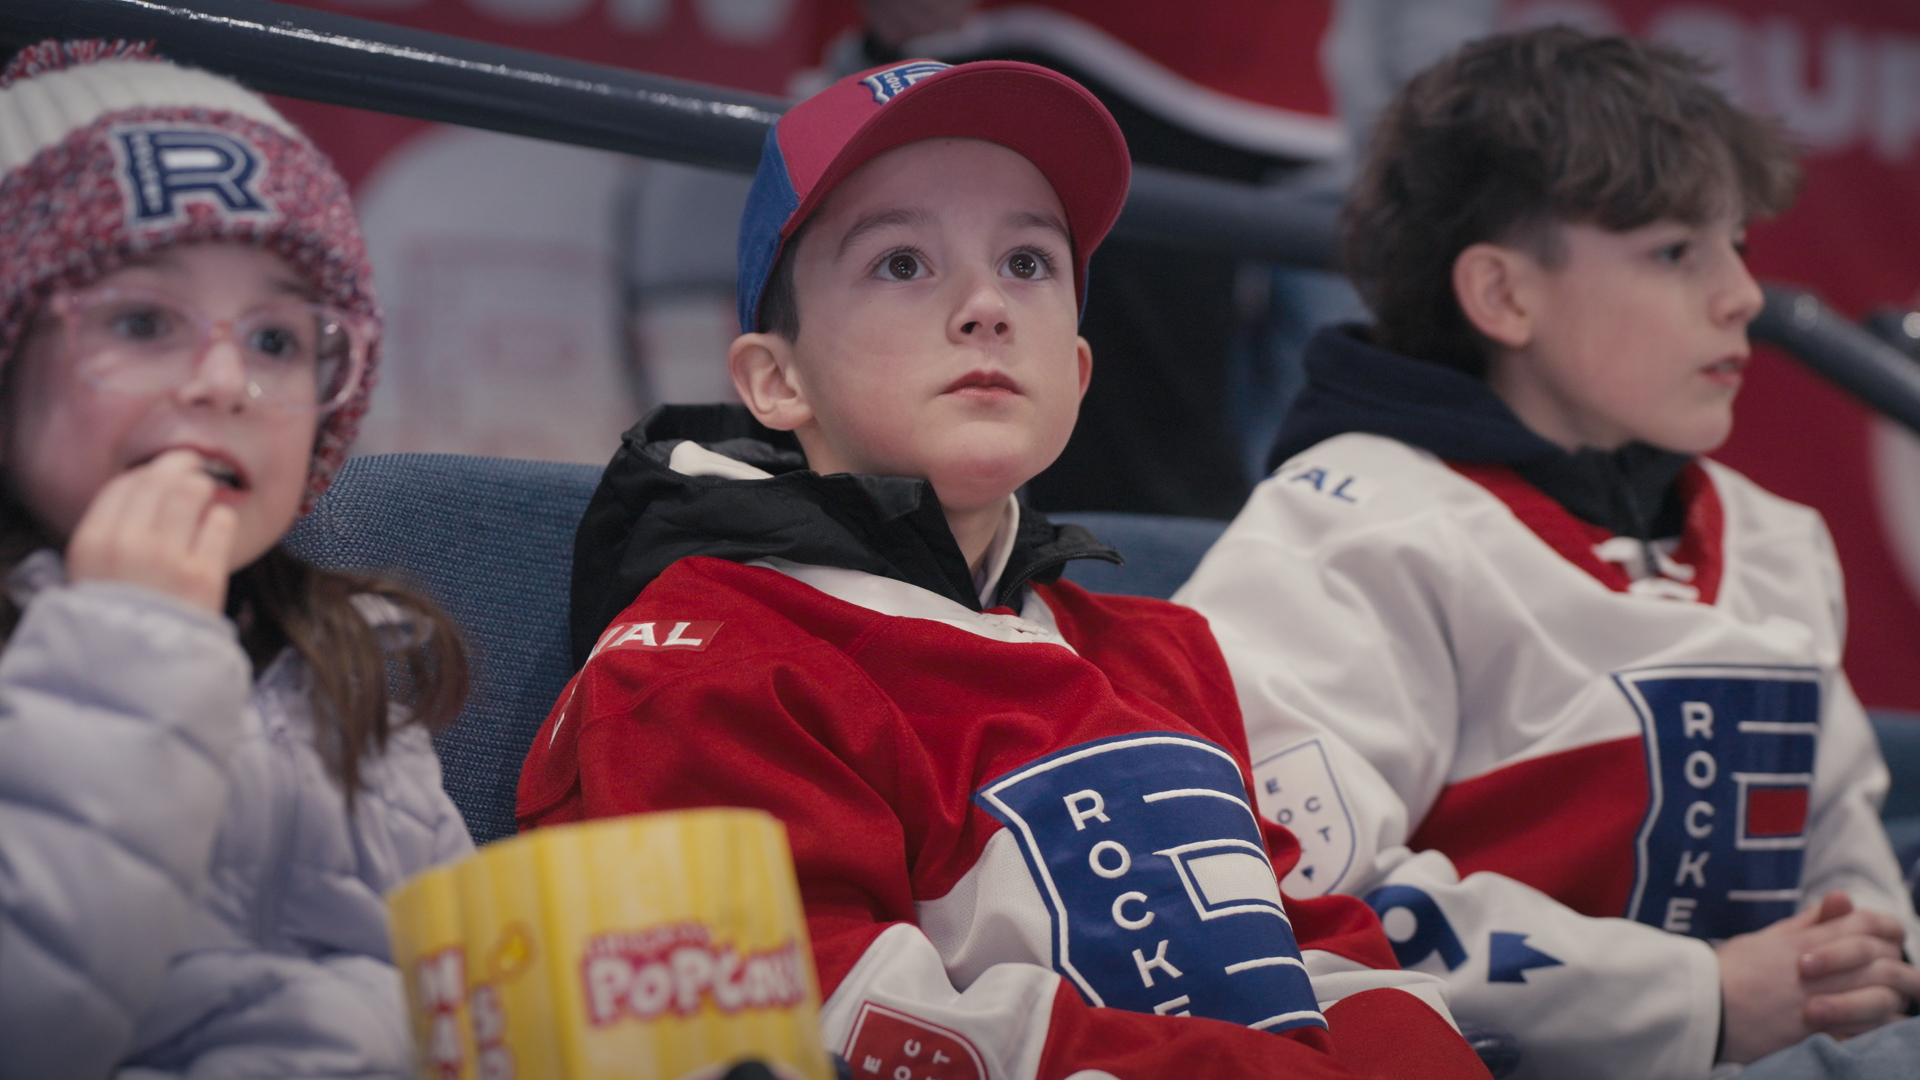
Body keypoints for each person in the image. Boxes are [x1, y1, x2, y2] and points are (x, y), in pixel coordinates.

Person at [519, 59, 1488, 1080]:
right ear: (776, 379)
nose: (986, 305)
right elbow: (820, 1013)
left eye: (1028, 263)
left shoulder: (1162, 650)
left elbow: (1312, 946)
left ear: (1074, 370)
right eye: (901, 263)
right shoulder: (707, 660)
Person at [1176, 27, 1920, 1080]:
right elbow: (1295, 899)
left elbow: (1846, 868)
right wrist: (1698, 1001)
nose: (1743, 296)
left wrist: (1861, 970)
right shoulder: (1346, 531)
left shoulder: (1777, 536)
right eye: (1676, 252)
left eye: (1738, 246)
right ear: (1504, 296)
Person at [0, 40, 471, 1077]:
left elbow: (462, 990)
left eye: (276, 341)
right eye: (141, 319)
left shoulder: (345, 663)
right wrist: (127, 645)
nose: (225, 380)